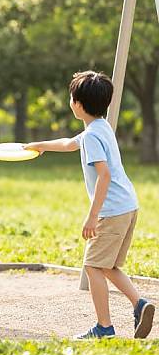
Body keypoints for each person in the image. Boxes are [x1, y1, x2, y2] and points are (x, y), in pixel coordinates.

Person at [25, 70, 155, 339]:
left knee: (93, 266)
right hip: (127, 206)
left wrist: (92, 216)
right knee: (108, 266)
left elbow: (104, 175)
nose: (70, 101)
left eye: (72, 97)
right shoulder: (99, 127)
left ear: (78, 104)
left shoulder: (93, 136)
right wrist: (40, 146)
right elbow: (70, 143)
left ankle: (104, 327)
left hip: (111, 211)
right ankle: (140, 304)